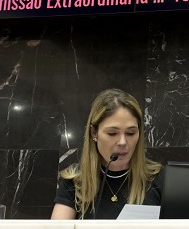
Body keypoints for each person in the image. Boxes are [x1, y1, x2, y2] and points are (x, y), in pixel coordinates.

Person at [52, 89, 163, 220]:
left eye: (130, 133)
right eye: (112, 133)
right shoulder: (75, 182)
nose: (122, 142)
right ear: (94, 133)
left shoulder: (159, 180)